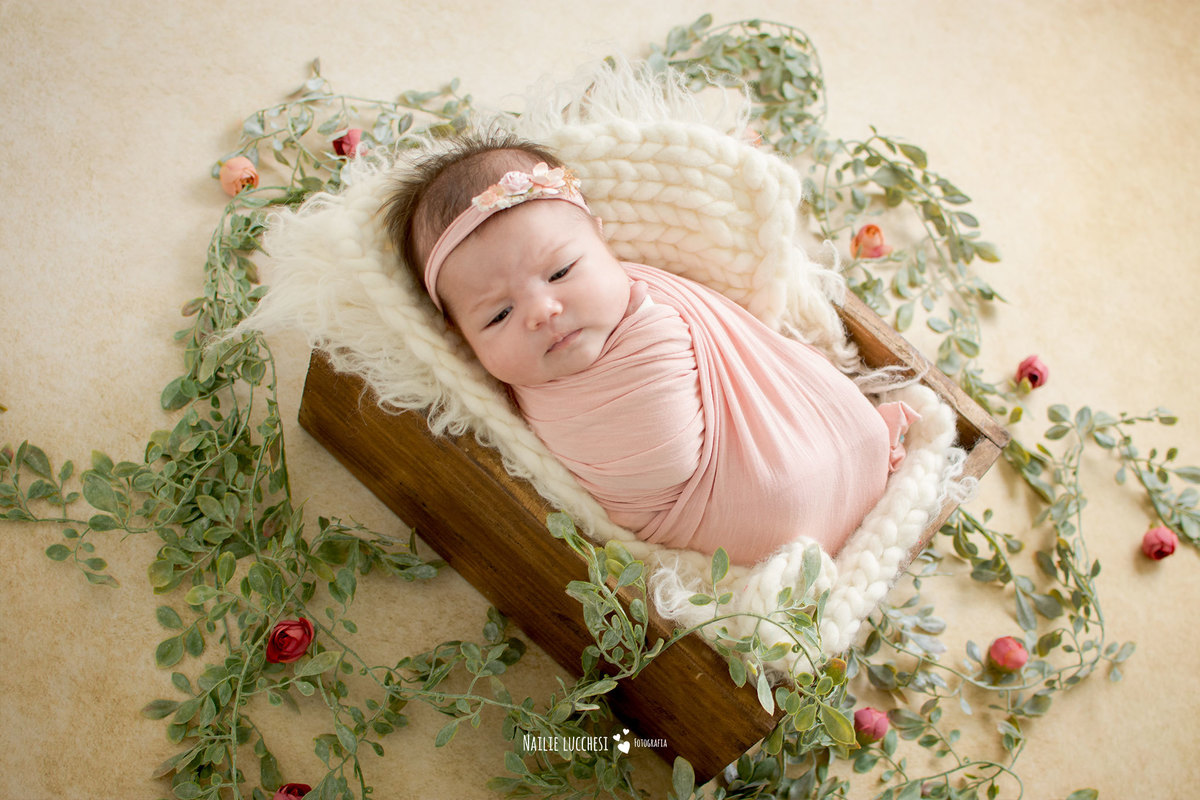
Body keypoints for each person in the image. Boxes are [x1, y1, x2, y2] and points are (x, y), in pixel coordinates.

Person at [382, 131, 916, 566]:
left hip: (801, 442)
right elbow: (661, 464)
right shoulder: (536, 395)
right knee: (782, 486)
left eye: (562, 271)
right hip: (758, 517)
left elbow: (753, 340)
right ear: (461, 340)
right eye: (497, 315)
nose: (541, 310)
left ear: (602, 240)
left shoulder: (648, 300)